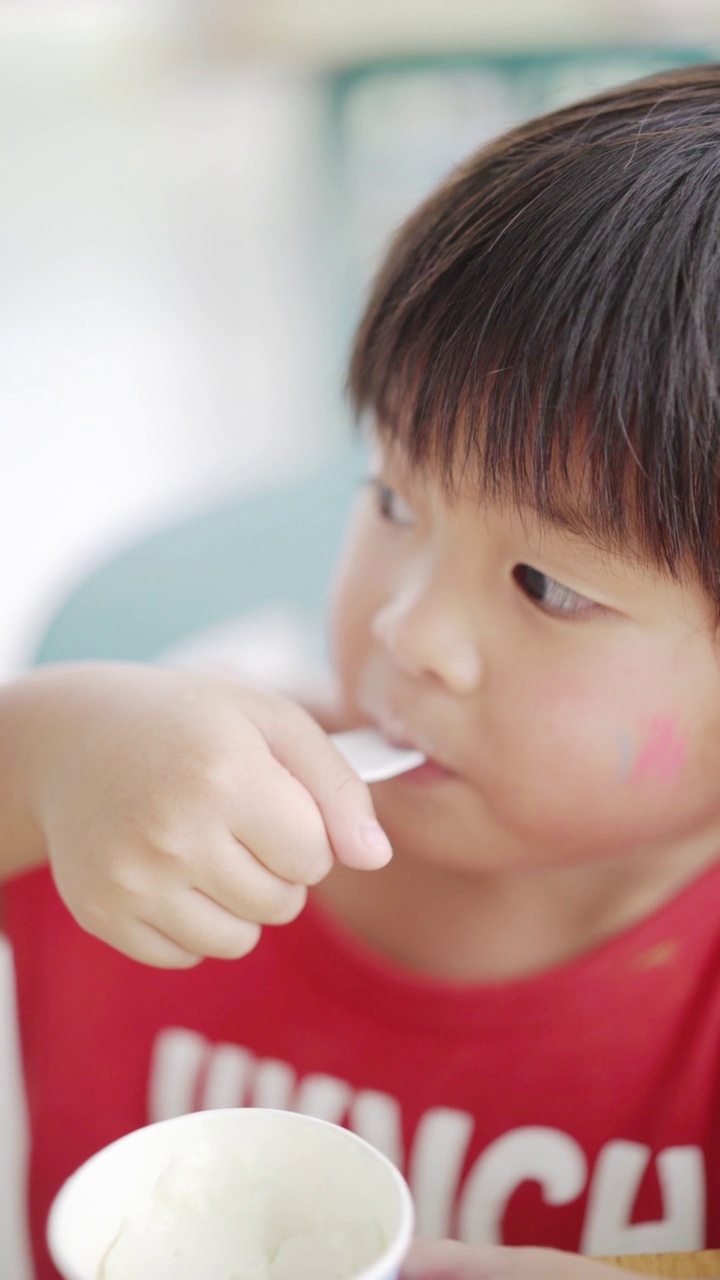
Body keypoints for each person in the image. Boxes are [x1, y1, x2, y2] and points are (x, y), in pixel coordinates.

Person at [4, 61, 720, 1280]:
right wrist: (53, 748)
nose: (405, 626)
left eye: (549, 584)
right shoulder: (170, 795)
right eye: (393, 495)